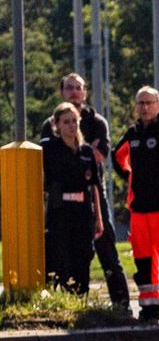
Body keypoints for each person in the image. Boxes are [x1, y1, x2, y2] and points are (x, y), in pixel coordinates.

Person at [39, 73, 131, 311]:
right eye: (69, 88)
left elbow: (98, 160)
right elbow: (48, 168)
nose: (74, 92)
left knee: (106, 250)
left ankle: (121, 305)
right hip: (60, 203)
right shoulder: (49, 126)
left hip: (92, 197)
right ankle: (53, 305)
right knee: (56, 254)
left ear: (85, 92)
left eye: (78, 88)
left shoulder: (96, 121)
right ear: (62, 92)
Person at [113, 86, 159, 325]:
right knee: (143, 261)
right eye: (140, 103)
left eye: (149, 103)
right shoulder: (132, 133)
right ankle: (149, 309)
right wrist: (129, 177)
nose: (144, 108)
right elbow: (116, 157)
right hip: (139, 210)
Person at [41, 102, 105, 295]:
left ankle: (79, 297)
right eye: (66, 122)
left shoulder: (86, 152)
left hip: (82, 210)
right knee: (58, 255)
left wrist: (99, 218)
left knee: (83, 256)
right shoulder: (50, 149)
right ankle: (56, 298)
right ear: (57, 125)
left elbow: (94, 185)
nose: (71, 125)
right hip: (59, 210)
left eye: (74, 121)